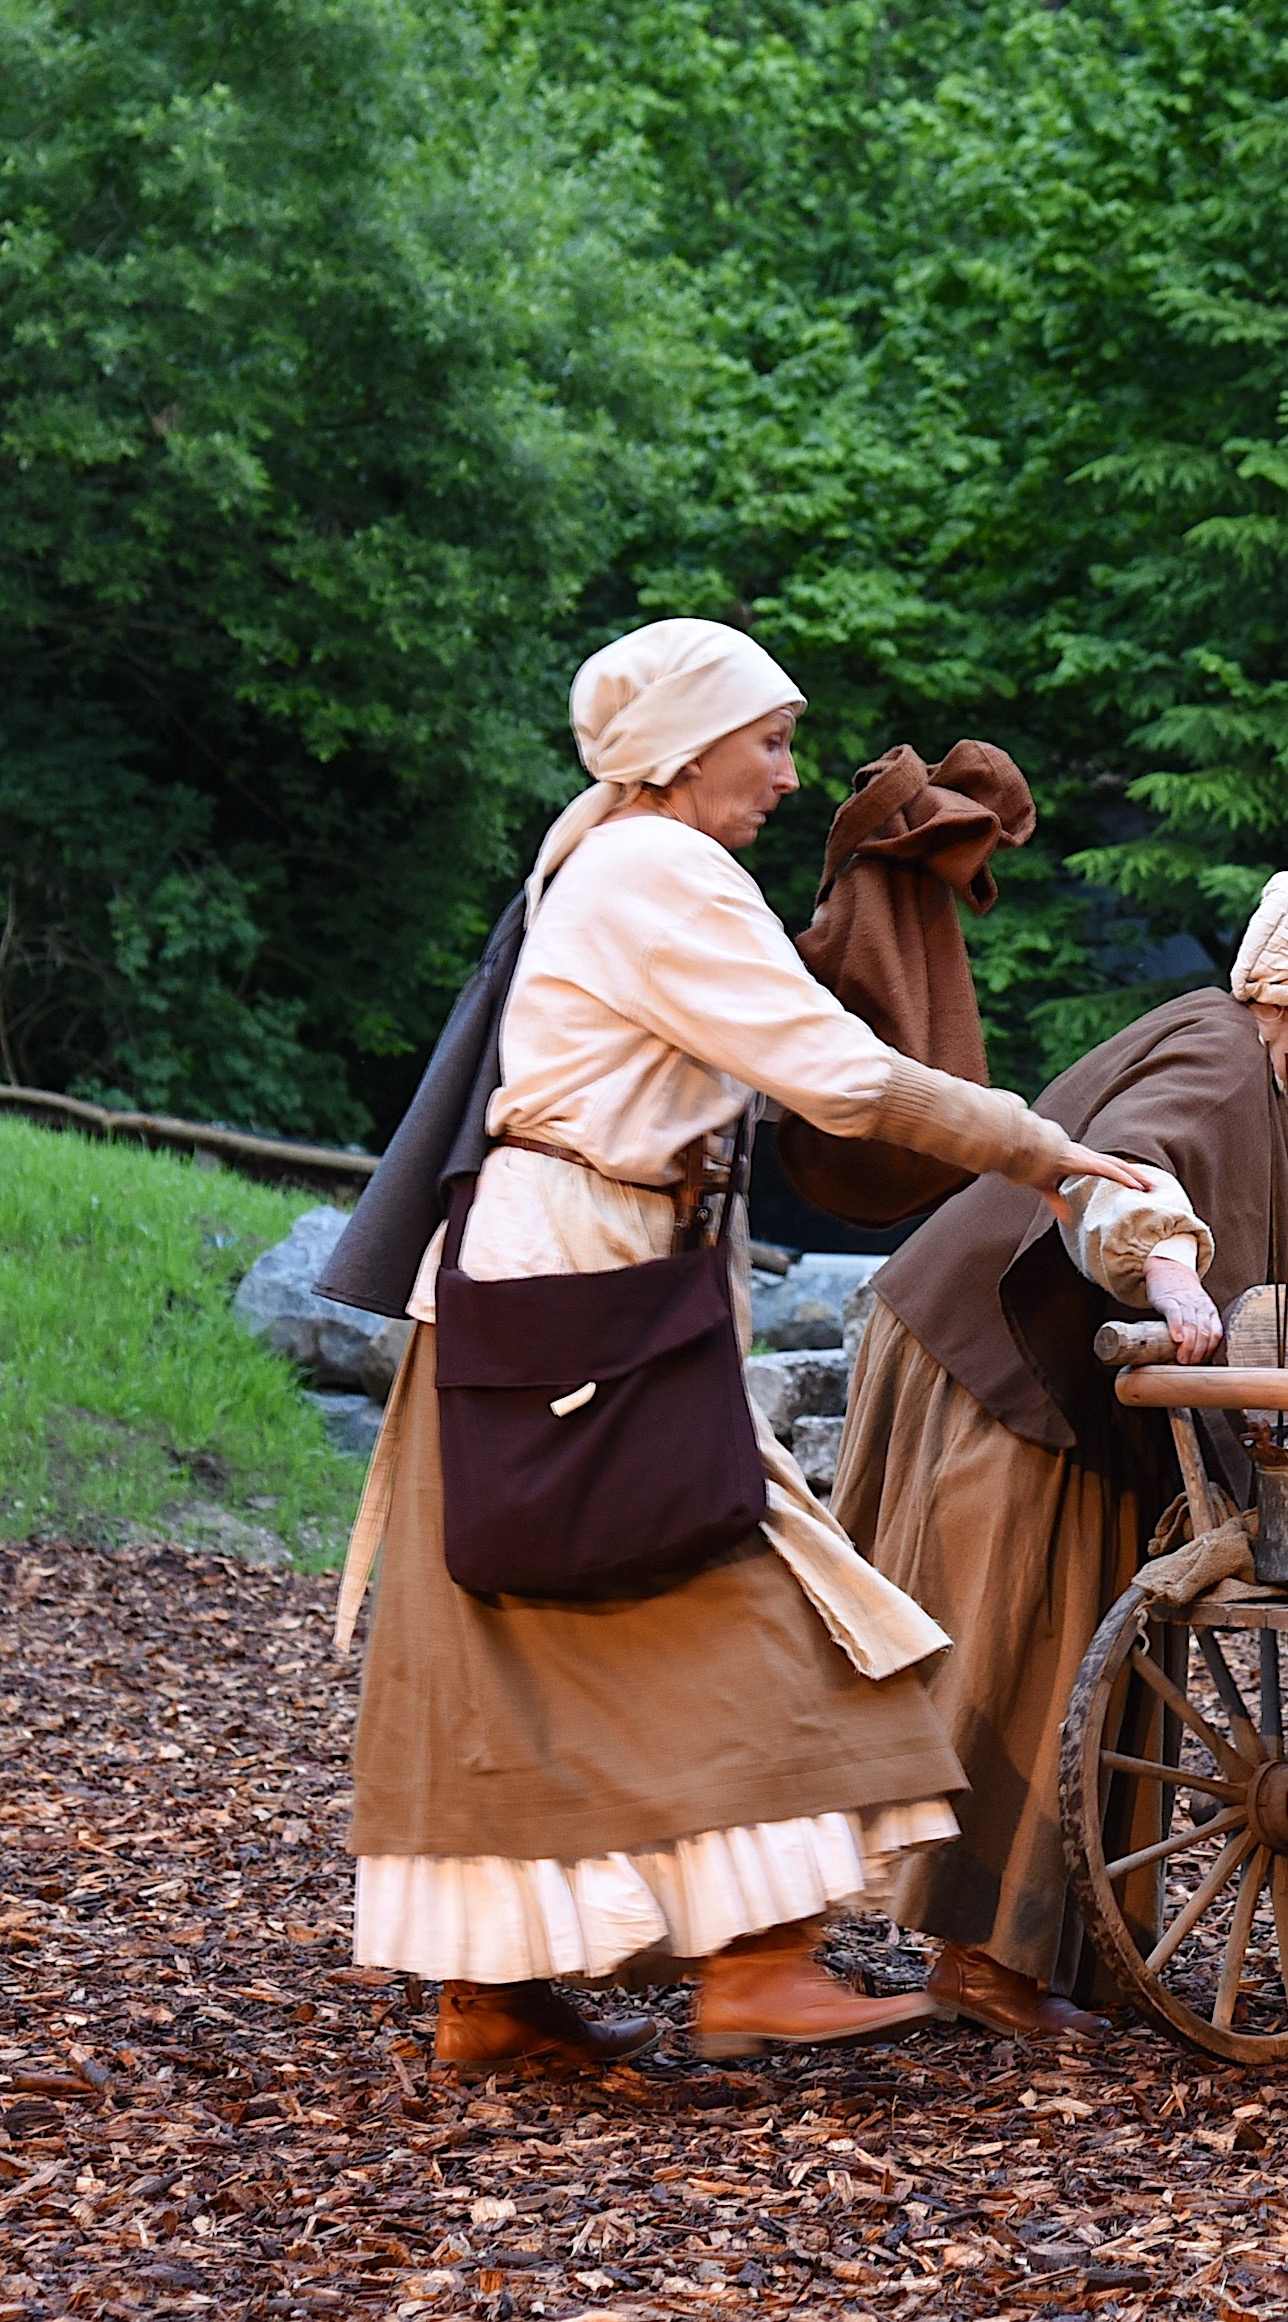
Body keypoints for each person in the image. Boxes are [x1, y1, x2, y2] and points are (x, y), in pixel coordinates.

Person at [339, 618, 1149, 2071]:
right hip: (575, 1310)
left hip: (551, 1303)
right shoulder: (657, 867)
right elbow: (837, 1075)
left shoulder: (596, 852)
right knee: (769, 1595)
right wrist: (1044, 1150)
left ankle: (495, 1994)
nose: (783, 775)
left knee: (514, 1659)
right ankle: (755, 1966)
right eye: (767, 742)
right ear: (686, 746)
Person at [835, 871, 1288, 2040]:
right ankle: (983, 1959)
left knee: (1062, 1640)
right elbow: (1130, 1165)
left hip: (1032, 1372)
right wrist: (1170, 1268)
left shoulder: (1263, 1075)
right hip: (1009, 1373)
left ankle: (1041, 1944)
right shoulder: (1217, 1052)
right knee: (1024, 1649)